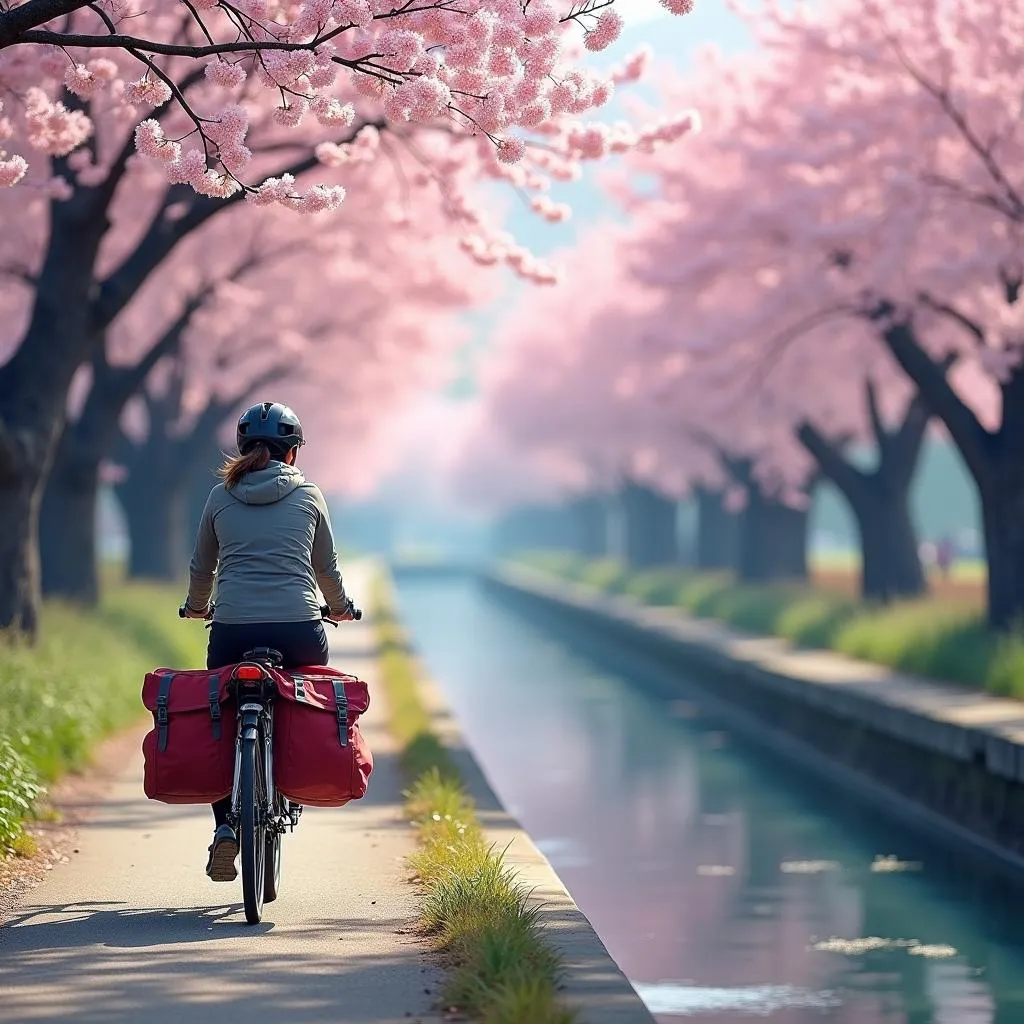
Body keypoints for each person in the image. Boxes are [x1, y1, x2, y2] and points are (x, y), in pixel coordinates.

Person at [182, 401, 355, 882]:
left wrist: (198, 606)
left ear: (243, 448)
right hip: (299, 627)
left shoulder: (220, 496)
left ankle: (224, 829)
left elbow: (202, 568)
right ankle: (293, 770)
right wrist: (339, 607)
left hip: (232, 628)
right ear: (293, 453)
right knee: (304, 693)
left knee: (223, 711)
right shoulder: (309, 495)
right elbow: (326, 569)